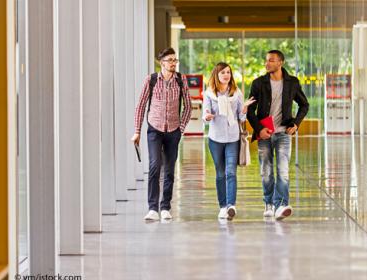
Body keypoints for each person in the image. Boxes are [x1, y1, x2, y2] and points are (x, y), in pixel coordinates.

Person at [247, 50, 309, 220]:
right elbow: (250, 110)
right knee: (266, 171)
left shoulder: (292, 83)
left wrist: (296, 123)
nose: (267, 63)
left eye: (271, 61)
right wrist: (259, 129)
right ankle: (268, 202)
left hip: (283, 133)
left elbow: (304, 105)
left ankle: (281, 204)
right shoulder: (258, 83)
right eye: (266, 60)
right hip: (264, 133)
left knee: (283, 170)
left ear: (280, 62)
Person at [132, 47, 192, 221]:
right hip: (154, 129)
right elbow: (141, 106)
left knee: (170, 170)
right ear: (161, 62)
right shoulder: (151, 80)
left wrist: (181, 128)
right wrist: (137, 131)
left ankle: (165, 207)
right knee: (154, 166)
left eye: (175, 60)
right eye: (170, 60)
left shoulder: (181, 80)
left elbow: (188, 106)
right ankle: (152, 208)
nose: (173, 63)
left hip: (173, 130)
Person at [203, 62, 255, 220]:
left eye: (228, 72)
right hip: (215, 138)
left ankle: (231, 205)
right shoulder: (209, 94)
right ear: (216, 75)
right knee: (220, 174)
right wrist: (207, 116)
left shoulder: (236, 93)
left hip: (233, 138)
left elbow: (240, 117)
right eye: (223, 72)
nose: (226, 75)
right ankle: (223, 206)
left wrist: (244, 109)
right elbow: (206, 114)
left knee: (231, 172)